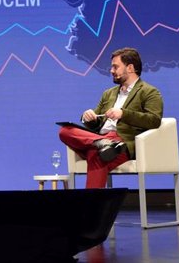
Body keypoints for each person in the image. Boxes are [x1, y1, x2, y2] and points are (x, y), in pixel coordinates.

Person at [59, 48, 163, 188]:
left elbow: (154, 120)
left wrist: (123, 113)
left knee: (97, 155)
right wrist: (90, 118)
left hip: (122, 143)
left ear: (130, 68)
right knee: (65, 131)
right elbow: (98, 123)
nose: (111, 70)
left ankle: (91, 208)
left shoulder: (149, 91)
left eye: (115, 67)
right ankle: (102, 143)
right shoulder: (109, 93)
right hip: (100, 139)